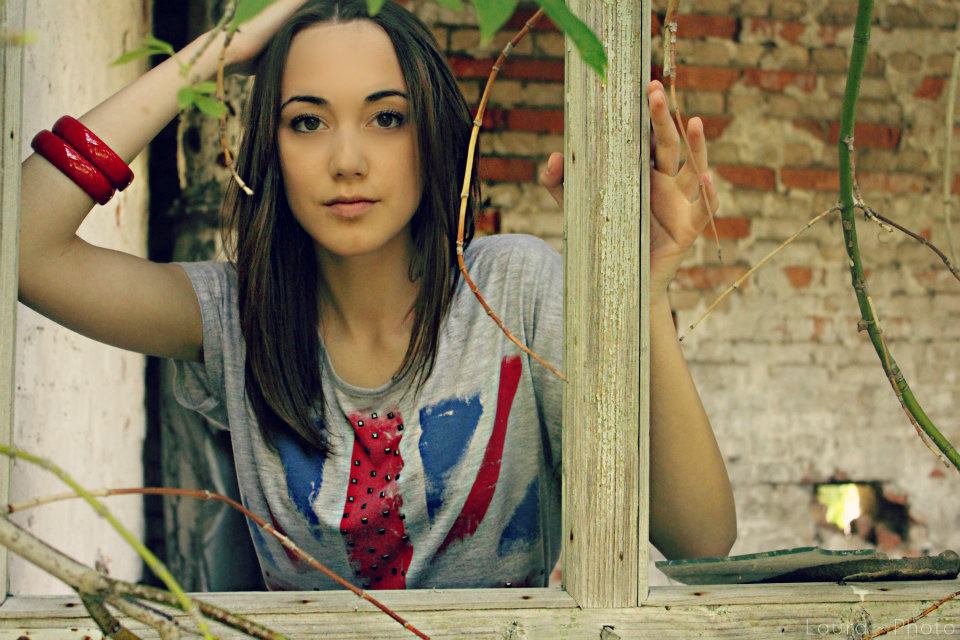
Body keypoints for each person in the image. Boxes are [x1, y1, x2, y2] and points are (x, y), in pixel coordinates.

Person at [18, 0, 736, 590]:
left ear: (432, 134)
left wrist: (645, 296)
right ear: (271, 147)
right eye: (307, 121)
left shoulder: (513, 292)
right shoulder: (236, 318)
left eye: (387, 118)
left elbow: (701, 538)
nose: (347, 161)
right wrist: (214, 55)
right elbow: (22, 251)